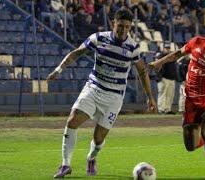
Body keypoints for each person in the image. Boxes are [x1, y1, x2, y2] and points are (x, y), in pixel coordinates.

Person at [47, 7, 157, 178]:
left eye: (127, 27)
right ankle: (65, 165)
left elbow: (142, 72)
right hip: (93, 89)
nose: (123, 30)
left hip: (113, 99)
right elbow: (76, 53)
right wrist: (58, 69)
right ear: (114, 23)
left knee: (98, 139)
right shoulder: (98, 38)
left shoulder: (133, 48)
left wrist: (150, 98)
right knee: (72, 120)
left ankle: (91, 158)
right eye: (121, 25)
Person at [148, 20, 205, 180]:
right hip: (190, 99)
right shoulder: (196, 42)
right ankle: (204, 141)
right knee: (190, 146)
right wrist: (160, 62)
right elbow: (178, 53)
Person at [156, 42, 177, 114]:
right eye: (166, 48)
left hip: (171, 79)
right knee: (162, 94)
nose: (167, 50)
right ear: (163, 48)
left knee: (170, 95)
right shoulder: (160, 56)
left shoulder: (171, 56)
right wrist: (159, 77)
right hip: (163, 78)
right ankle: (161, 109)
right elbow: (157, 68)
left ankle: (167, 109)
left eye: (168, 48)